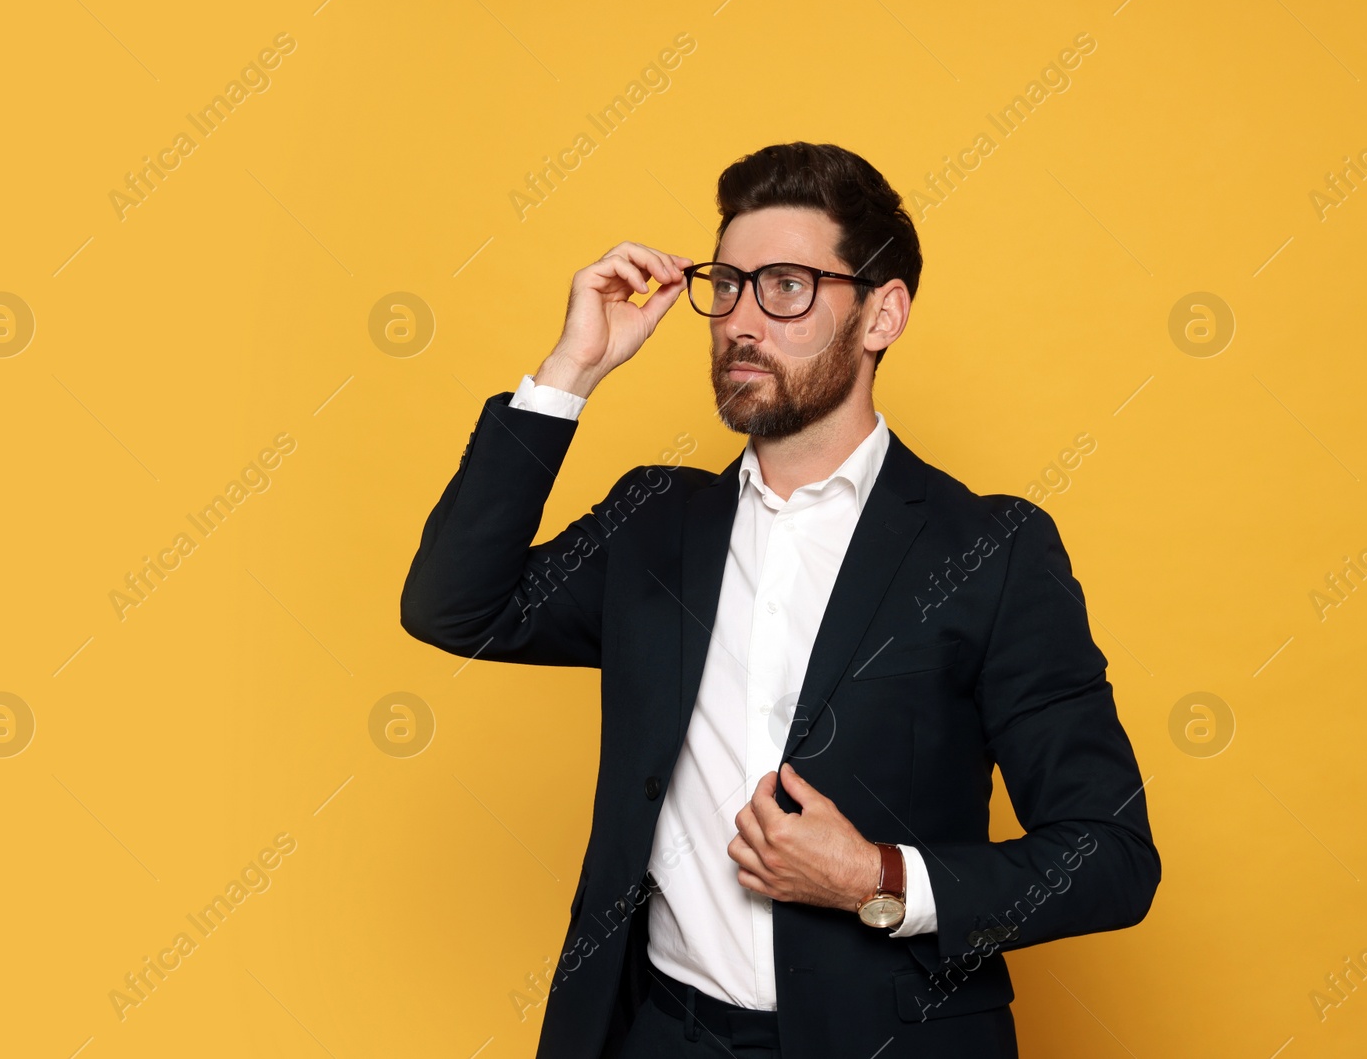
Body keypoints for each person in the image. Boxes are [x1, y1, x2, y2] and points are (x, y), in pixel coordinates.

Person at [400, 141, 1158, 1058]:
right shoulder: (653, 520)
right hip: (660, 1035)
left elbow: (1110, 857)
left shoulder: (991, 550)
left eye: (788, 286)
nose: (741, 321)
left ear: (883, 313)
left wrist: (877, 879)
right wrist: (569, 372)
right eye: (729, 285)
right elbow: (454, 605)